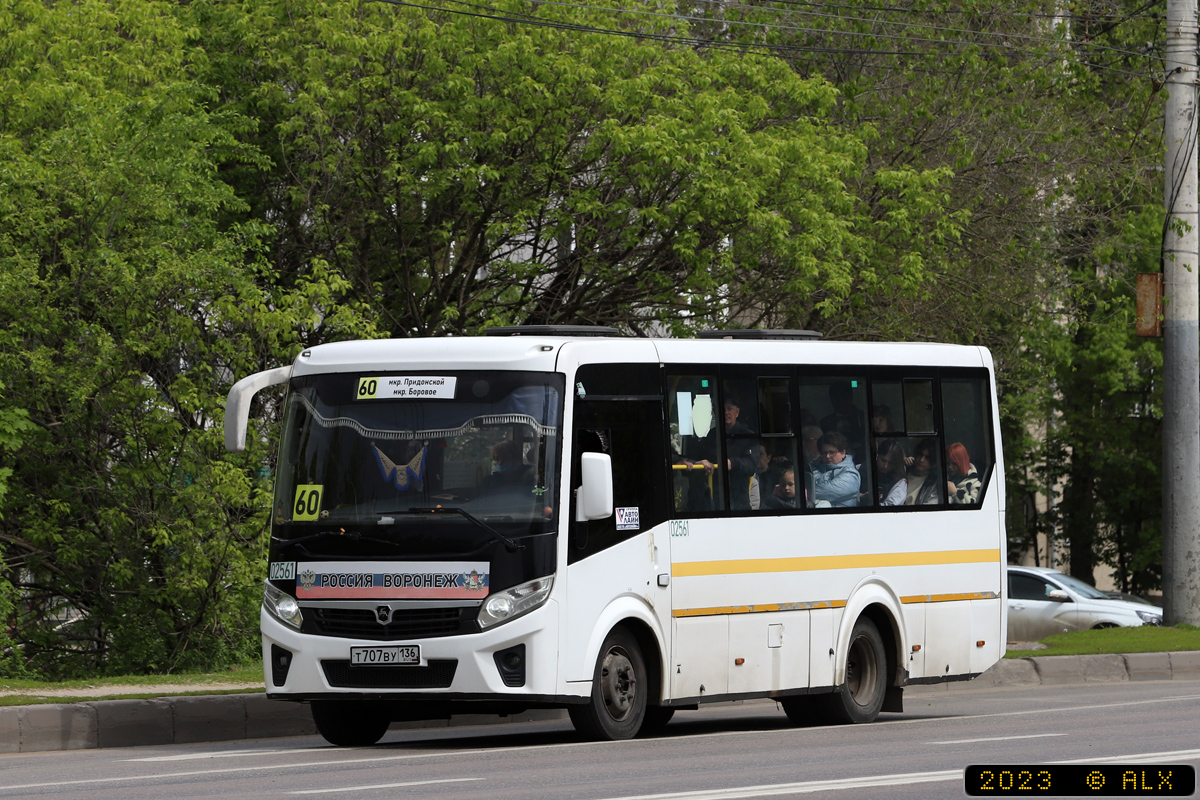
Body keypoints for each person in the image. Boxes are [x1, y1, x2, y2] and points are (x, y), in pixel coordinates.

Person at [723, 395, 758, 510]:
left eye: (729, 409)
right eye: (722, 409)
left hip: (738, 498)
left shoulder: (747, 435)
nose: (726, 412)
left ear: (737, 412)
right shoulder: (711, 436)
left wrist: (732, 463)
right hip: (716, 495)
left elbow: (751, 466)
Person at [810, 431, 860, 507]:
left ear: (843, 453)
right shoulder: (813, 467)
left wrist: (800, 491)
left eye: (832, 452)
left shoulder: (851, 475)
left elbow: (823, 492)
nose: (827, 456)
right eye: (824, 453)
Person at [905, 437, 942, 505]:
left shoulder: (933, 484)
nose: (921, 460)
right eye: (920, 455)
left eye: (927, 458)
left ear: (934, 462)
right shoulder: (904, 472)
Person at [875, 438, 908, 506]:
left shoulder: (900, 481)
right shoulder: (862, 469)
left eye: (890, 463)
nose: (885, 466)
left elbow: (891, 506)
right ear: (877, 456)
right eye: (883, 460)